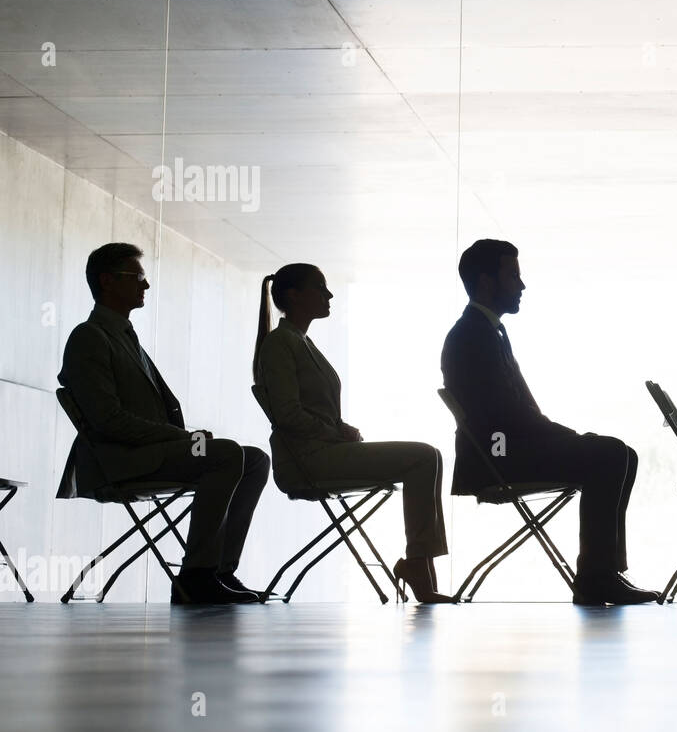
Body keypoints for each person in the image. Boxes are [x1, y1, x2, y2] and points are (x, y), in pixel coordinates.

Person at [440, 239, 656, 605]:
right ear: (486, 281)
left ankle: (605, 571)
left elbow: (511, 413)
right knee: (611, 454)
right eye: (513, 276)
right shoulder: (473, 336)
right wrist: (560, 438)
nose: (521, 286)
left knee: (622, 454)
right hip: (500, 455)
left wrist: (558, 437)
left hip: (507, 447)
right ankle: (595, 577)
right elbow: (501, 418)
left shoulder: (484, 331)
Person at [57, 243, 268, 604]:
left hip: (155, 450)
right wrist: (182, 438)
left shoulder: (123, 336)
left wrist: (182, 439)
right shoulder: (89, 337)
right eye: (137, 277)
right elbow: (108, 420)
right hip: (122, 459)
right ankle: (196, 577)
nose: (146, 286)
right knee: (226, 453)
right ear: (107, 281)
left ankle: (218, 570)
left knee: (255, 459)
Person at [253, 263, 453, 603]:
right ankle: (418, 566)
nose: (329, 295)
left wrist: (339, 428)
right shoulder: (279, 344)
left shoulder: (301, 342)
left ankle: (419, 564)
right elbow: (287, 415)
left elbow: (311, 412)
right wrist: (334, 432)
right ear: (294, 295)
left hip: (324, 451)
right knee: (423, 456)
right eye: (320, 287)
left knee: (428, 455)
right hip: (308, 460)